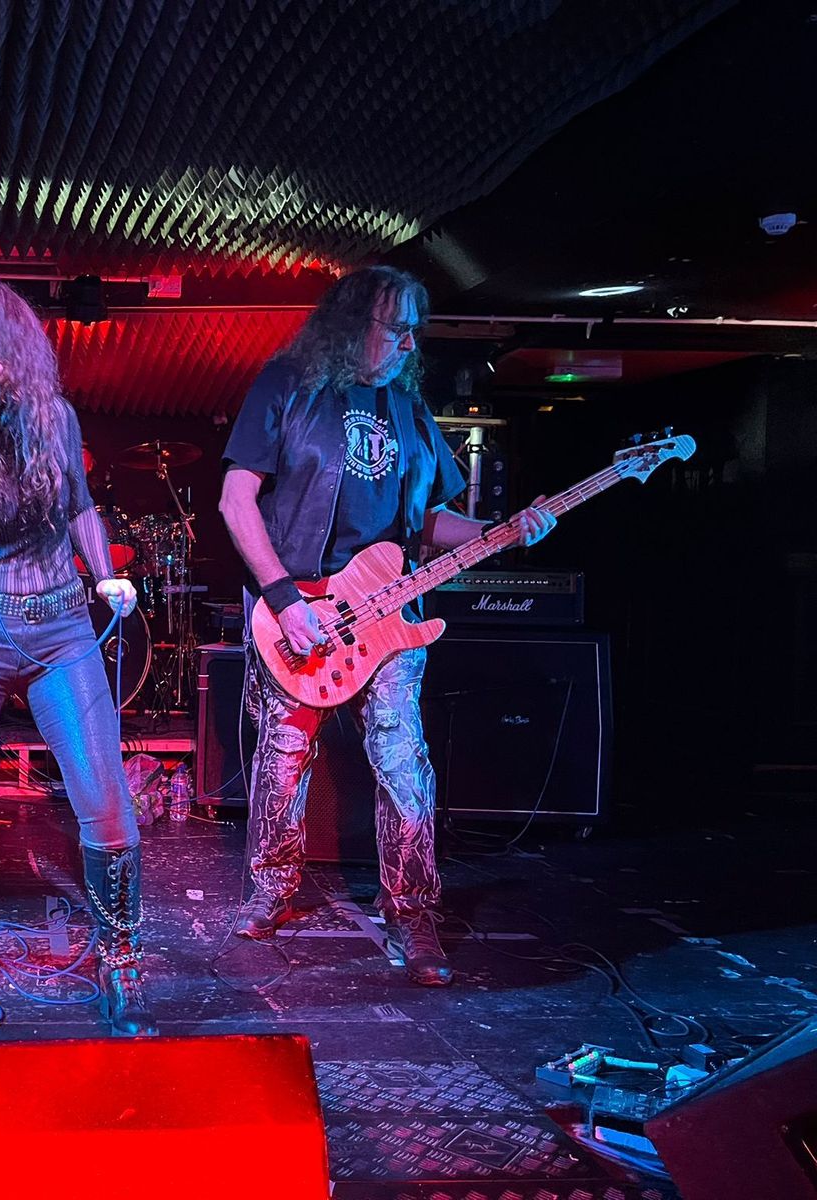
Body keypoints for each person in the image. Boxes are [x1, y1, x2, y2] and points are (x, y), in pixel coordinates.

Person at [218, 265, 555, 986]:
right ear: (352, 323)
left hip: (390, 612)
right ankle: (271, 888)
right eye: (395, 327)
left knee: (403, 760)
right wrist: (283, 598)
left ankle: (413, 910)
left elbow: (431, 523)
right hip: (301, 607)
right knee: (283, 758)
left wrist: (500, 532)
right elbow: (236, 500)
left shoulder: (409, 409)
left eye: (413, 330)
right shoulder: (289, 385)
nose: (409, 343)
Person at [0, 279, 155, 1036]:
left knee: (106, 801)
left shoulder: (54, 416)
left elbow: (77, 505)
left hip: (62, 629)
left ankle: (121, 953)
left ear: (17, 345)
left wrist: (103, 572)